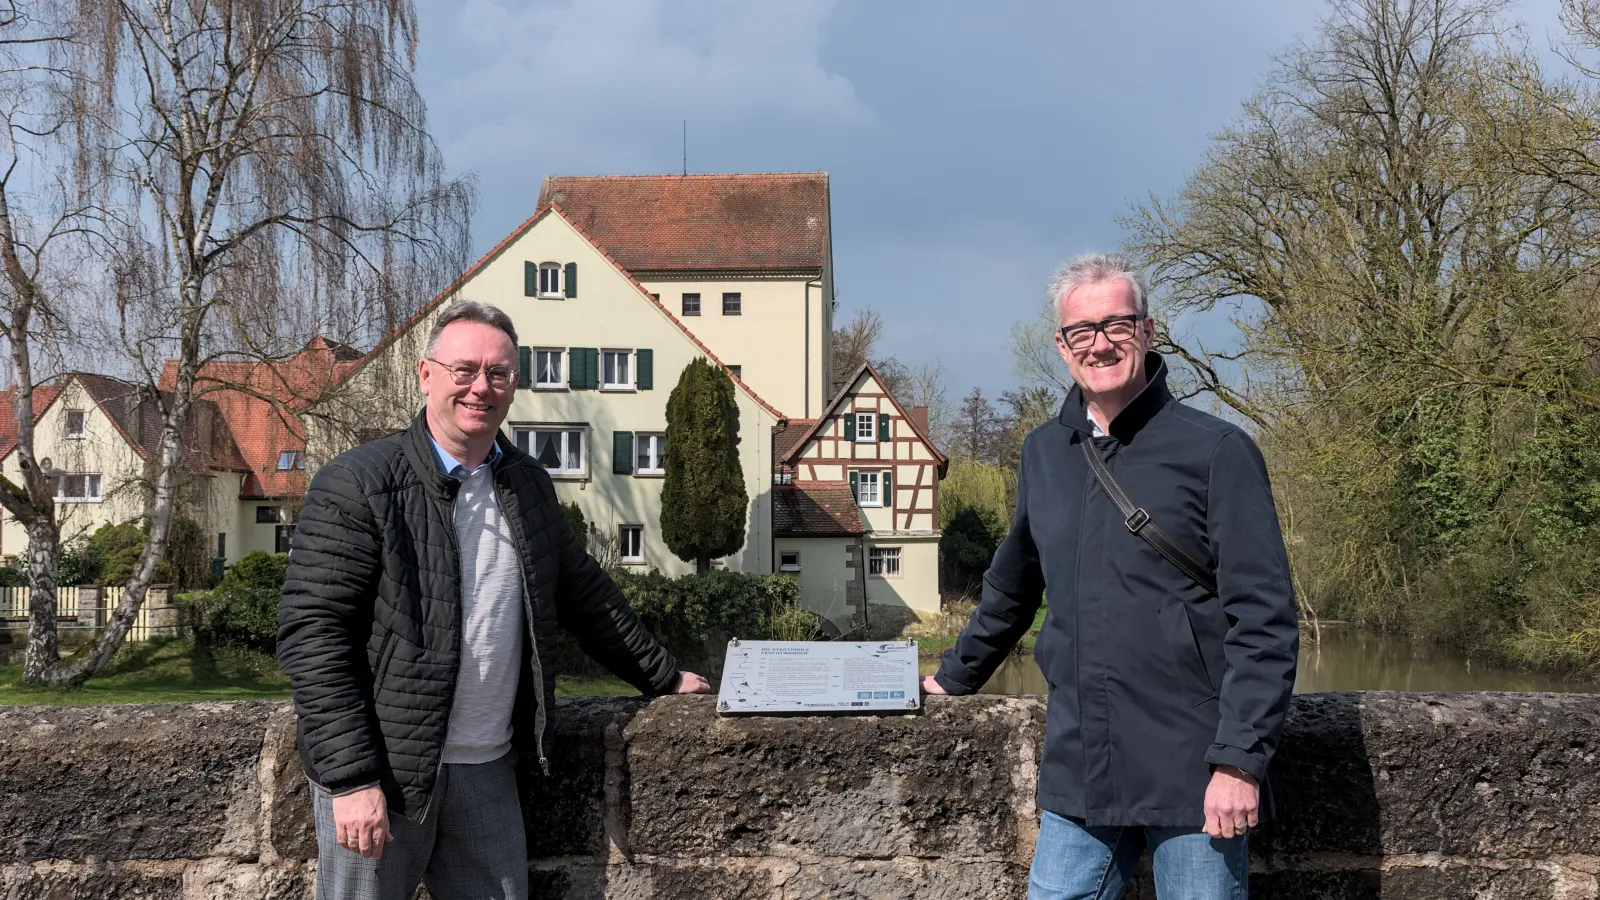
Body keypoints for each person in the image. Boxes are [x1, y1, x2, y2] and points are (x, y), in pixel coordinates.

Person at [278, 300, 709, 900]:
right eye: (464, 370)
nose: (481, 387)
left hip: (486, 769)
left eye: (499, 373)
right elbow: (315, 636)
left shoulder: (524, 482)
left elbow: (584, 592)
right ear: (426, 375)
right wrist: (351, 778)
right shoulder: (359, 483)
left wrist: (662, 677)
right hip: (385, 773)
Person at [923, 253, 1298, 899]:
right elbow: (1014, 586)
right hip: (1083, 755)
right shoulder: (1046, 452)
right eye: (1082, 331)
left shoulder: (1215, 450)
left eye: (1118, 326)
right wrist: (954, 678)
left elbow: (1264, 618)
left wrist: (1240, 759)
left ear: (1148, 332)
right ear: (1062, 345)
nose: (1100, 343)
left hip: (1191, 762)